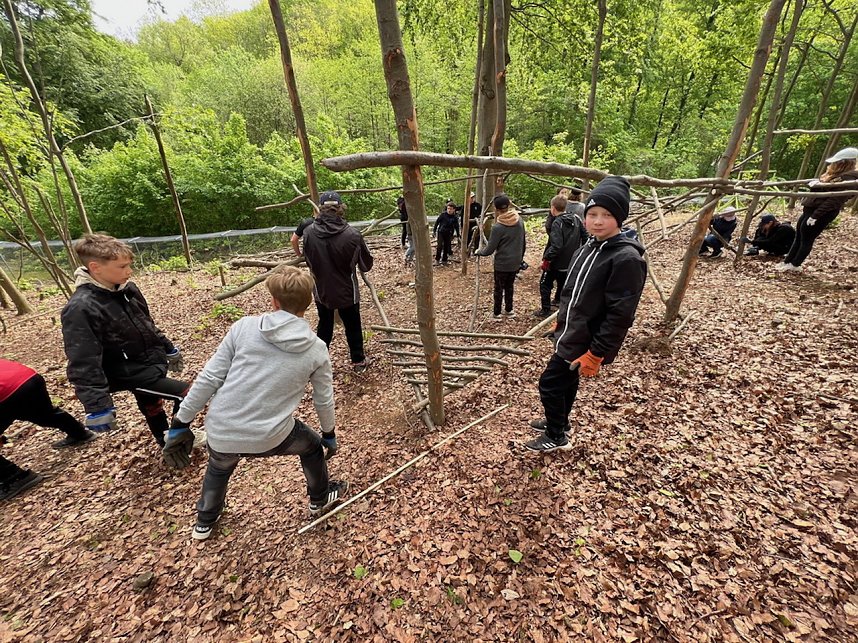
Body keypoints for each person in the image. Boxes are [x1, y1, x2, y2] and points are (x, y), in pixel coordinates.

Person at [162, 267, 348, 540]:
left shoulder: (243, 327)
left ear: (274, 301)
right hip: (272, 435)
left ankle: (204, 521)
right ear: (310, 303)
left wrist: (181, 422)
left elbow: (210, 377)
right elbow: (323, 398)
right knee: (311, 447)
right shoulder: (317, 348)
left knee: (219, 465)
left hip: (222, 430)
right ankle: (319, 499)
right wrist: (329, 434)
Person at [527, 176, 646, 452]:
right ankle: (560, 422)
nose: (598, 221)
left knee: (550, 383)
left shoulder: (626, 259)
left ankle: (556, 436)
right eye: (592, 214)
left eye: (607, 215)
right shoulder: (588, 247)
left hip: (588, 337)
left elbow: (621, 314)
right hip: (572, 329)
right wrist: (562, 319)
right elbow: (572, 292)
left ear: (620, 218)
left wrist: (597, 352)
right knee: (566, 379)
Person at [61, 234, 188, 448]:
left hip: (147, 362)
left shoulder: (127, 290)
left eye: (129, 265)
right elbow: (83, 358)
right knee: (187, 393)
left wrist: (167, 347)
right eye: (121, 267)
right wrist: (97, 405)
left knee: (151, 404)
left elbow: (146, 324)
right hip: (126, 372)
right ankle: (178, 437)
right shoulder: (81, 308)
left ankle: (165, 441)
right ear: (95, 267)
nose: (129, 271)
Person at [1, 359, 97, 501]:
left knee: (38, 413)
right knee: (44, 414)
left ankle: (15, 477)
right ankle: (79, 433)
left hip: (9, 390)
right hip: (29, 378)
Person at [302, 191, 374, 372]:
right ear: (341, 208)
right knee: (353, 325)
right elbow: (366, 265)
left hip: (321, 289)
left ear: (320, 208)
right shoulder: (353, 235)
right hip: (347, 290)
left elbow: (309, 261)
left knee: (324, 324)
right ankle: (358, 361)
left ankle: (318, 362)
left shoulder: (308, 233)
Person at [778, 147, 858, 272]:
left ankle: (795, 264)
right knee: (799, 235)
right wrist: (816, 185)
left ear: (843, 163)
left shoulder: (849, 179)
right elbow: (823, 189)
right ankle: (788, 261)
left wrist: (816, 215)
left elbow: (834, 200)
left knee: (807, 238)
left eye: (835, 162)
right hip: (810, 208)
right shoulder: (836, 175)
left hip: (822, 212)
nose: (832, 165)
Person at [474, 194, 526, 320]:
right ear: (508, 205)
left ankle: (497, 313)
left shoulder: (498, 227)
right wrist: (520, 258)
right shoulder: (519, 221)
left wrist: (478, 251)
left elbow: (489, 250)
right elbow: (523, 243)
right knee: (509, 286)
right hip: (515, 261)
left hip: (502, 263)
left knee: (499, 288)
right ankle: (509, 310)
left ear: (496, 209)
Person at [534, 193, 587, 318]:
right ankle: (560, 304)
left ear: (553, 208)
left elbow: (556, 245)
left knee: (545, 285)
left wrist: (547, 258)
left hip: (556, 262)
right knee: (563, 283)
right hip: (569, 262)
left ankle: (545, 310)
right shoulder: (576, 219)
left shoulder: (557, 223)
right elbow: (585, 237)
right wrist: (578, 253)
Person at [433, 200, 460, 265]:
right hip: (441, 232)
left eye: (451, 209)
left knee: (446, 246)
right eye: (448, 208)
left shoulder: (455, 218)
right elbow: (437, 222)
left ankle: (444, 260)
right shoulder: (443, 215)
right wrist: (434, 231)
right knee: (439, 246)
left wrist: (458, 234)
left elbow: (457, 226)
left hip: (449, 233)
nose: (449, 210)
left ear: (454, 210)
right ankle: (437, 259)